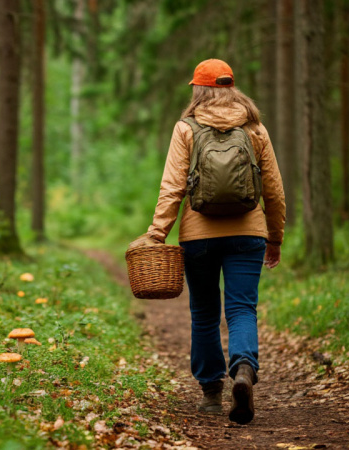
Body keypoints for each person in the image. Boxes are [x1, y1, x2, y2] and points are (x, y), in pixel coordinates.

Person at [129, 59, 286, 425]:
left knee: (204, 313)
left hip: (198, 236)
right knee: (242, 309)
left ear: (198, 89)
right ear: (232, 87)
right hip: (248, 232)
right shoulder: (255, 127)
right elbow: (274, 190)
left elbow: (172, 187)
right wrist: (275, 237)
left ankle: (212, 394)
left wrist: (156, 233)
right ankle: (244, 369)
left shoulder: (186, 127)